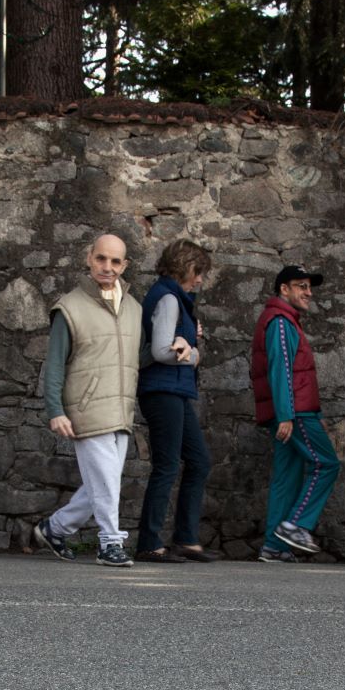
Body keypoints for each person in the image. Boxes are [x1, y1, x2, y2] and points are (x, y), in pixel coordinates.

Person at [33, 233, 143, 567]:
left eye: (114, 261)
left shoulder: (134, 308)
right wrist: (56, 410)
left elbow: (137, 356)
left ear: (125, 265)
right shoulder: (70, 307)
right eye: (101, 259)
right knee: (107, 481)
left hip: (120, 408)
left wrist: (180, 345)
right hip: (86, 408)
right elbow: (54, 363)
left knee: (102, 482)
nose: (107, 267)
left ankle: (55, 528)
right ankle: (110, 543)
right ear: (89, 258)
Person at [133, 240, 220, 564]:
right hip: (161, 390)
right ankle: (149, 543)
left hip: (175, 390)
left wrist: (190, 342)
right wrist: (193, 356)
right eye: (199, 273)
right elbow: (159, 352)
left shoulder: (177, 299)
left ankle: (185, 539)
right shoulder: (168, 298)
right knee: (167, 465)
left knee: (199, 461)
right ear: (185, 267)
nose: (200, 280)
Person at [250, 263, 341, 563]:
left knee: (287, 477)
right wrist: (287, 414)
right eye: (301, 286)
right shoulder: (279, 321)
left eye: (309, 286)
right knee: (326, 464)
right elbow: (281, 369)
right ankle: (296, 525)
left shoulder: (286, 320)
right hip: (295, 414)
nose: (308, 292)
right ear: (283, 289)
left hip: (294, 411)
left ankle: (274, 545)